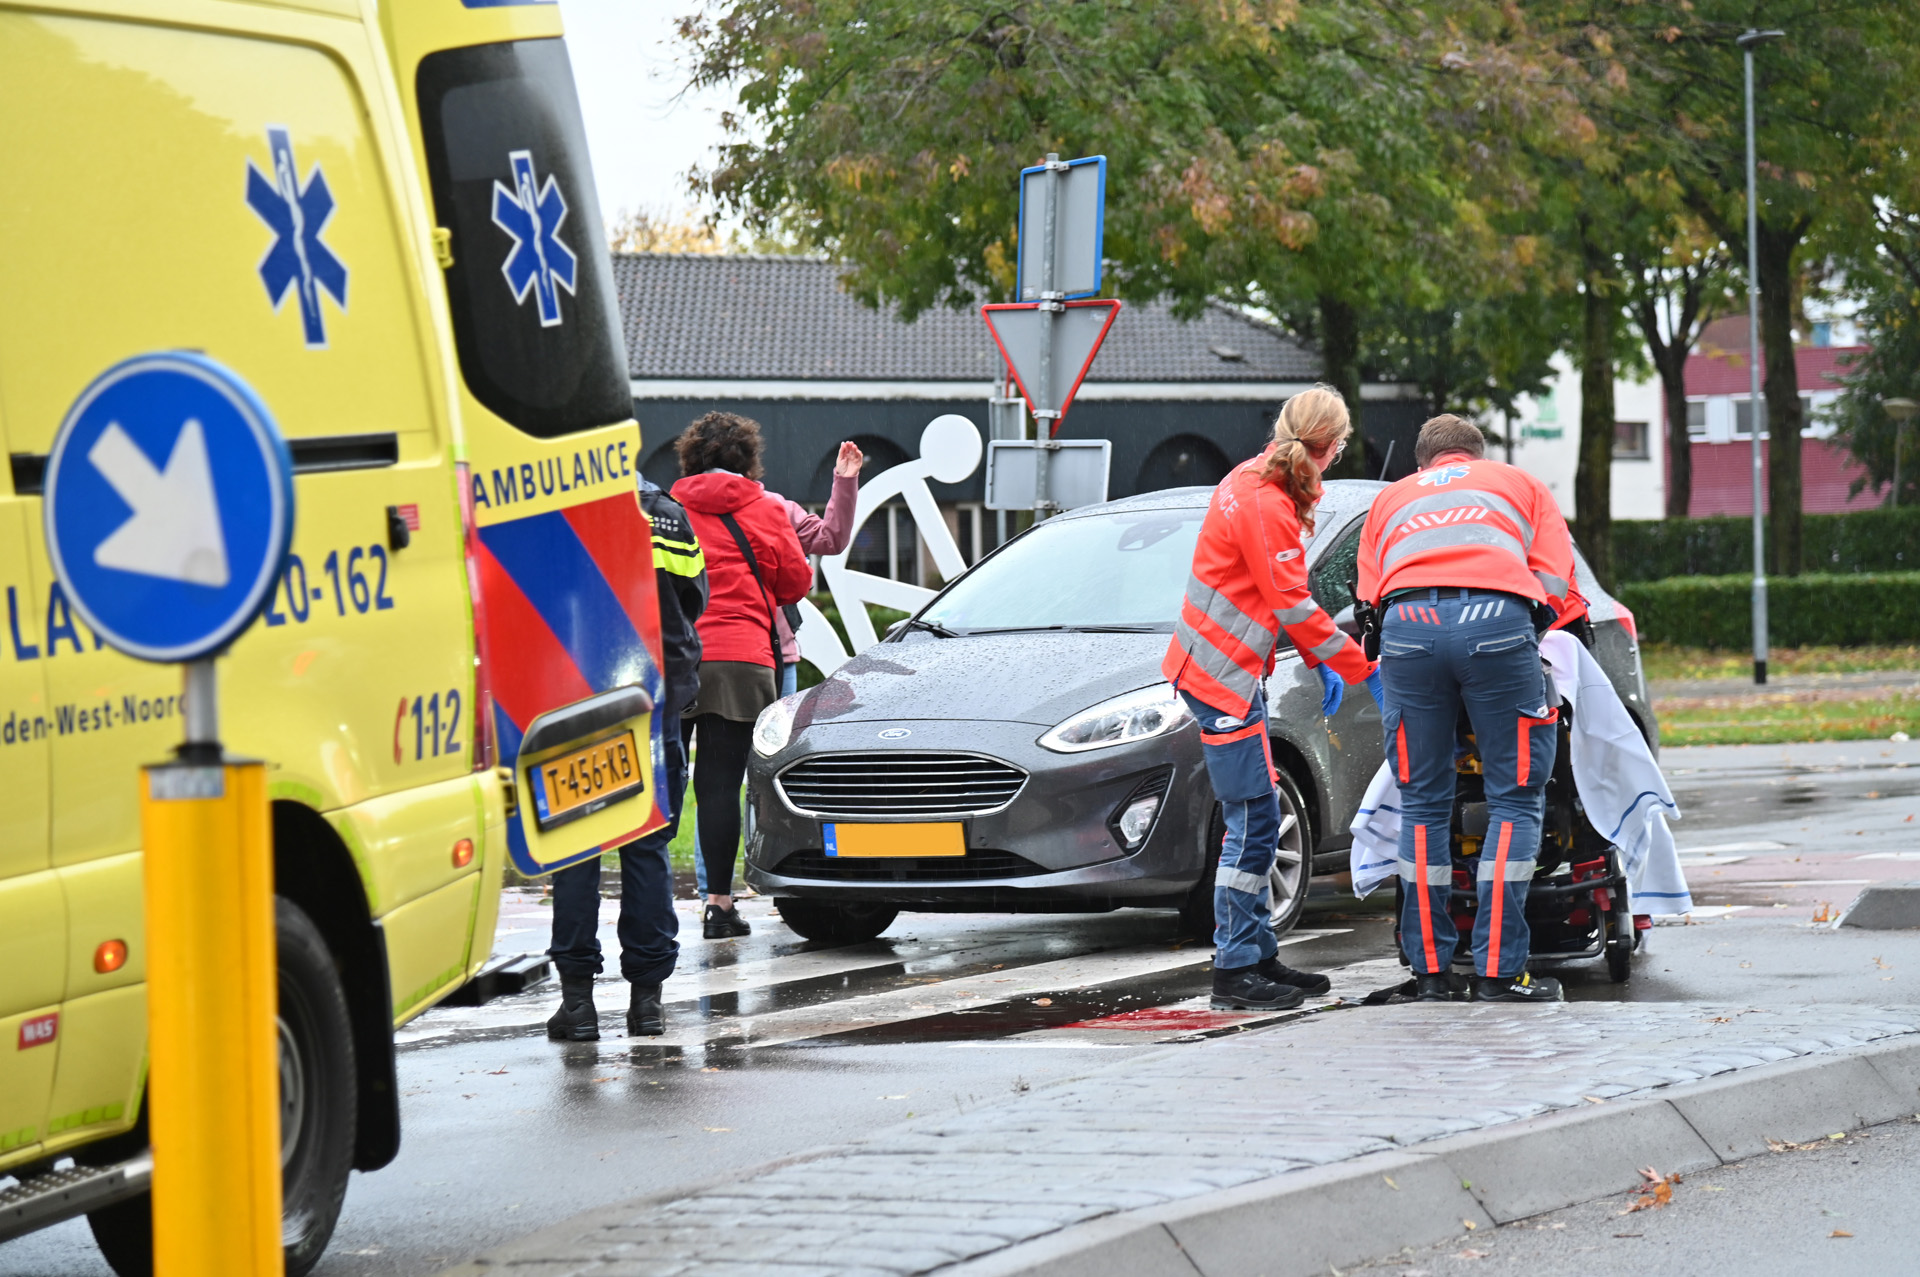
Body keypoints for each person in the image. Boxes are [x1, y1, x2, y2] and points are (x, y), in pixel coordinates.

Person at [1164, 385, 1378, 1011]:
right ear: (1332, 446)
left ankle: (1257, 956)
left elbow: (1272, 594)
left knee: (1256, 816)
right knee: (1255, 821)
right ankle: (1235, 970)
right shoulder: (1269, 503)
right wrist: (1353, 662)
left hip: (1214, 669)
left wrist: (1317, 655)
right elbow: (1291, 602)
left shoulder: (1248, 478)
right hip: (1220, 679)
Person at [1355, 414, 1580, 1004]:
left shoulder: (1392, 498)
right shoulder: (1519, 484)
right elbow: (1556, 574)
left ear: (1423, 463)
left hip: (1410, 628)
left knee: (1423, 804)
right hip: (1498, 623)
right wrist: (1525, 632)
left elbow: (1367, 594)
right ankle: (1500, 973)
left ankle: (1430, 975)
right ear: (1477, 455)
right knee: (1514, 798)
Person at [545, 474, 708, 1041]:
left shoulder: (554, 504)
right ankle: (647, 1004)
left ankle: (578, 1005)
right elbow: (693, 598)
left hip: (574, 698)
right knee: (647, 848)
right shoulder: (664, 511)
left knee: (574, 846)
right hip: (652, 695)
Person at [672, 413, 813, 939]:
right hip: (741, 661)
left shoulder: (667, 511)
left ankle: (649, 899)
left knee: (664, 782)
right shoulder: (769, 507)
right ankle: (720, 906)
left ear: (688, 457)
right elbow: (795, 583)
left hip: (677, 658)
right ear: (748, 458)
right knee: (719, 787)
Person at [774, 440, 864, 696]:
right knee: (775, 735)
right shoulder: (776, 508)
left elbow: (830, 539)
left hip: (715, 649)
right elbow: (831, 538)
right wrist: (845, 481)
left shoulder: (680, 510)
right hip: (773, 649)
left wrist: (846, 481)